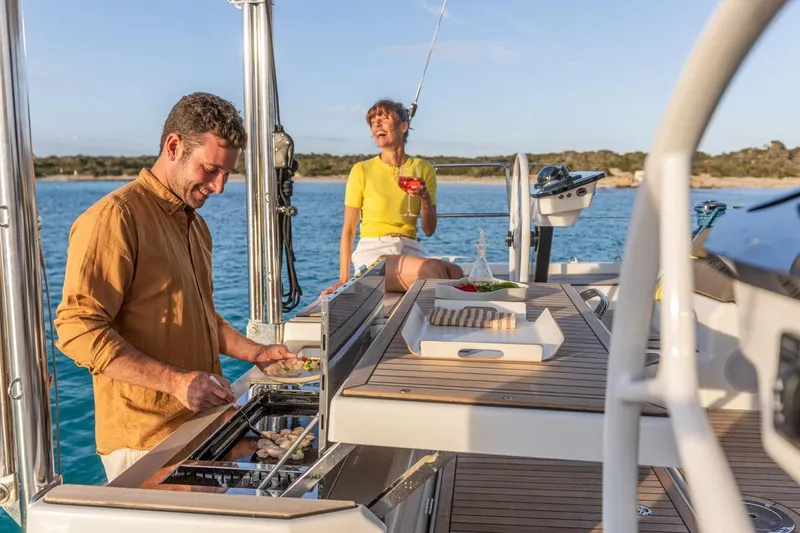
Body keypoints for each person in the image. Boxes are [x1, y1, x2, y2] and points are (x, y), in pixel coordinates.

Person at [54, 92, 296, 482]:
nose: (219, 186)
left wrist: (259, 353)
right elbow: (76, 329)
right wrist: (176, 382)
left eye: (227, 174)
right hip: (147, 440)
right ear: (173, 147)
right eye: (210, 169)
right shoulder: (115, 217)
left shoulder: (195, 225)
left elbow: (198, 317)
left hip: (200, 425)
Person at [323, 99, 463, 294]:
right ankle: (438, 319)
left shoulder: (424, 169)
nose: (376, 125)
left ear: (403, 126)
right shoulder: (362, 170)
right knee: (434, 270)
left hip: (410, 248)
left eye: (384, 119)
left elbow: (429, 230)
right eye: (373, 122)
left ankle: (441, 317)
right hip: (374, 253)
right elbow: (348, 230)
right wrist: (344, 280)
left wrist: (424, 197)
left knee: (456, 272)